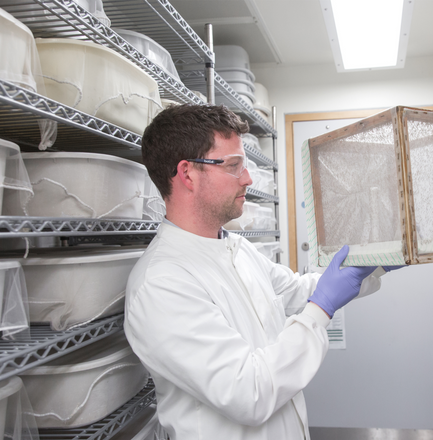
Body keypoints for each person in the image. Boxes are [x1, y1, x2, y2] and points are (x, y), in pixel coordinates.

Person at [124, 104, 390, 440]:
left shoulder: (235, 247)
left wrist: (374, 261)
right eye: (233, 166)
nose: (248, 178)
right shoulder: (161, 285)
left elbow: (297, 290)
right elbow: (250, 392)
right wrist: (321, 310)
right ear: (187, 173)